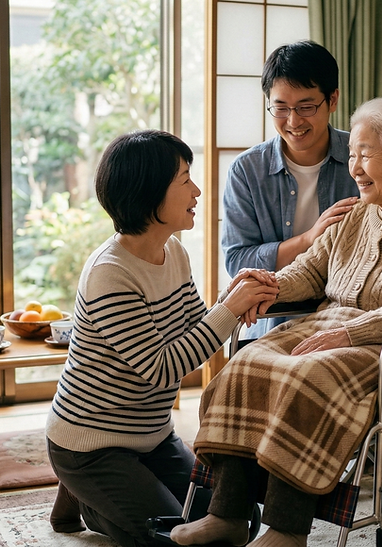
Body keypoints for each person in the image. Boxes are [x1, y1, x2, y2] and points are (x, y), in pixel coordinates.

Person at [171, 97, 382, 547]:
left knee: (306, 378)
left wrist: (352, 331)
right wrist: (266, 286)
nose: (355, 166)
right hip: (329, 326)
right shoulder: (352, 214)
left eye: (366, 153)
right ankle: (228, 514)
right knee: (243, 365)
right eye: (352, 153)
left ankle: (286, 530)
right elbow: (310, 271)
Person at [45, 130, 278, 547]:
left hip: (153, 436)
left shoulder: (175, 252)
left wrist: (233, 299)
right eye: (185, 179)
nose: (197, 190)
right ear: (149, 192)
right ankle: (86, 497)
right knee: (174, 539)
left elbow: (195, 329)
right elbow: (162, 368)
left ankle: (97, 493)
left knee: (237, 520)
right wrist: (228, 310)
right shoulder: (109, 273)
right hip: (92, 444)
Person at [221, 40, 382, 339]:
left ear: (332, 100)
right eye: (280, 108)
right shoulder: (247, 170)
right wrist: (306, 240)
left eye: (306, 106)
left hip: (367, 337)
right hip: (287, 322)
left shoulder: (377, 148)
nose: (293, 121)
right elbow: (251, 261)